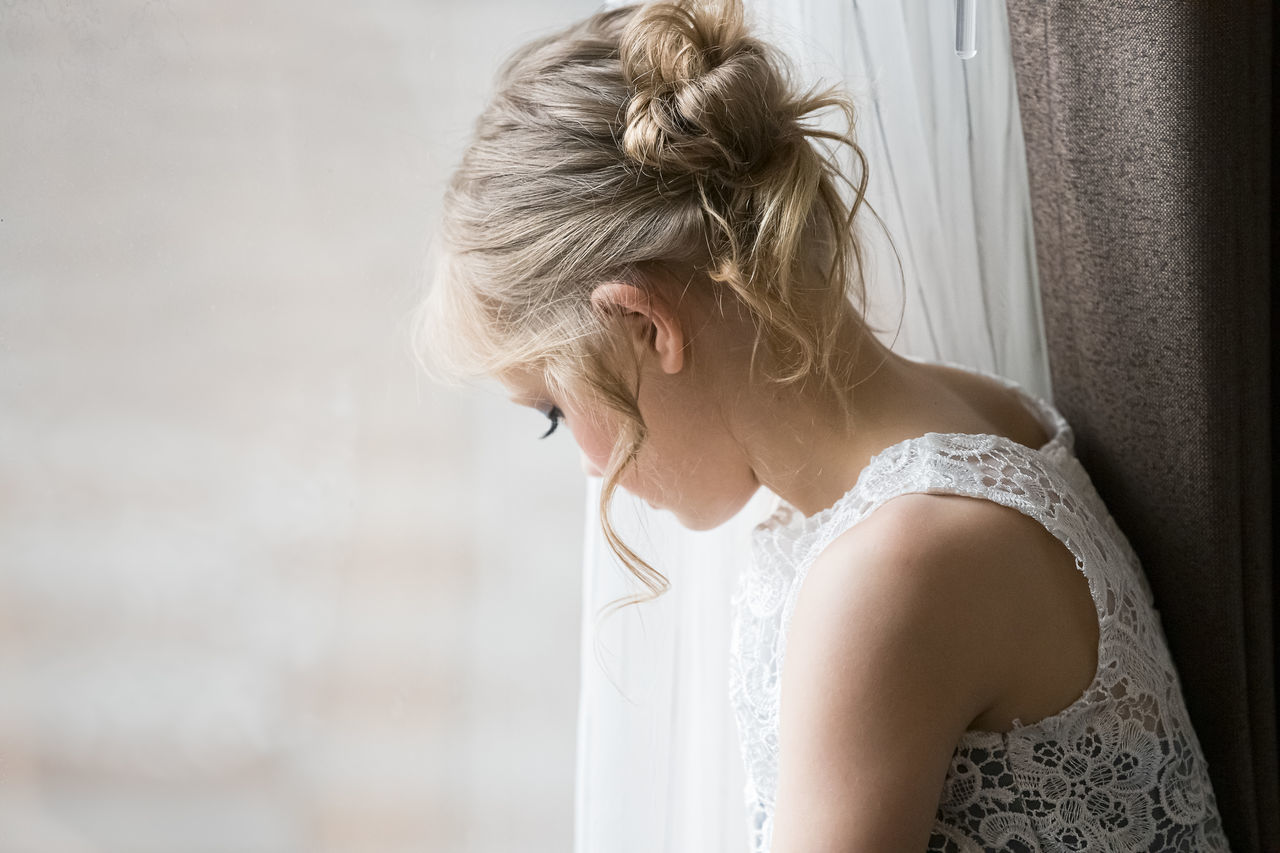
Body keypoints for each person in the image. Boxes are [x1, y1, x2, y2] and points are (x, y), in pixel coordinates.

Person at [412, 0, 1231, 850]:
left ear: (646, 326)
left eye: (553, 411)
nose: (587, 465)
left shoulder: (896, 567)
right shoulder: (979, 411)